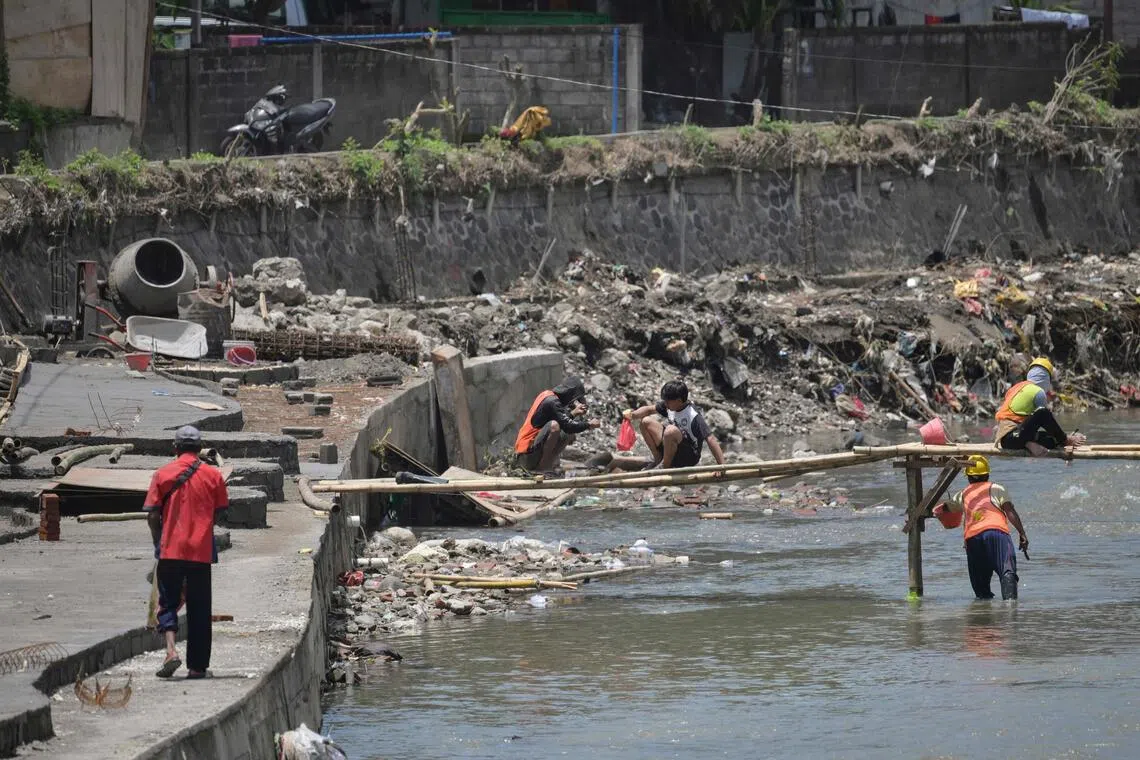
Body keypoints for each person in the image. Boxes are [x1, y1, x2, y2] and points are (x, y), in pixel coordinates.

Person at [145, 426, 230, 679]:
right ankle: (197, 667)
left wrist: (158, 543)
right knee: (200, 608)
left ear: (175, 448)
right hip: (200, 551)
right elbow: (220, 510)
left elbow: (152, 514)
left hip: (170, 550)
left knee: (167, 603)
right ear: (200, 448)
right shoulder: (213, 475)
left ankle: (171, 651)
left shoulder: (162, 474)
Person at [935, 455, 1029, 600]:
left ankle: (983, 614)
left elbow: (947, 508)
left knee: (980, 584)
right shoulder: (997, 488)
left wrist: (933, 509)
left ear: (968, 477)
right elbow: (1009, 511)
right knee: (1007, 572)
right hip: (997, 533)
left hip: (973, 538)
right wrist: (1022, 534)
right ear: (987, 474)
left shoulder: (963, 493)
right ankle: (1011, 611)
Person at [622, 380, 726, 469]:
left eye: (668, 401)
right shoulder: (670, 406)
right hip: (672, 448)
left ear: (679, 401)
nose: (665, 404)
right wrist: (633, 415)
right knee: (645, 421)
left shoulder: (693, 415)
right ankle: (658, 459)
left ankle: (664, 466)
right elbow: (649, 409)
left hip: (688, 457)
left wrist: (721, 467)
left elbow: (710, 439)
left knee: (670, 430)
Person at [994, 357, 1086, 456]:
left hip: (1007, 439)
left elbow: (1031, 425)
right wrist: (1064, 438)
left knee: (1052, 440)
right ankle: (1065, 440)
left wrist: (1059, 436)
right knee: (1043, 412)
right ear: (1046, 378)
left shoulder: (1016, 388)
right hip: (1013, 436)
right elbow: (1045, 420)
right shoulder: (1038, 392)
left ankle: (1030, 443)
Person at [514, 376, 600, 473]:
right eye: (575, 399)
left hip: (527, 456)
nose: (573, 402)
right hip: (526, 457)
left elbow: (563, 422)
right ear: (570, 394)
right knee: (554, 426)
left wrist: (574, 413)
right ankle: (542, 469)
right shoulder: (552, 401)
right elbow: (568, 426)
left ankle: (548, 465)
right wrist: (589, 424)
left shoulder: (548, 395)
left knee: (564, 431)